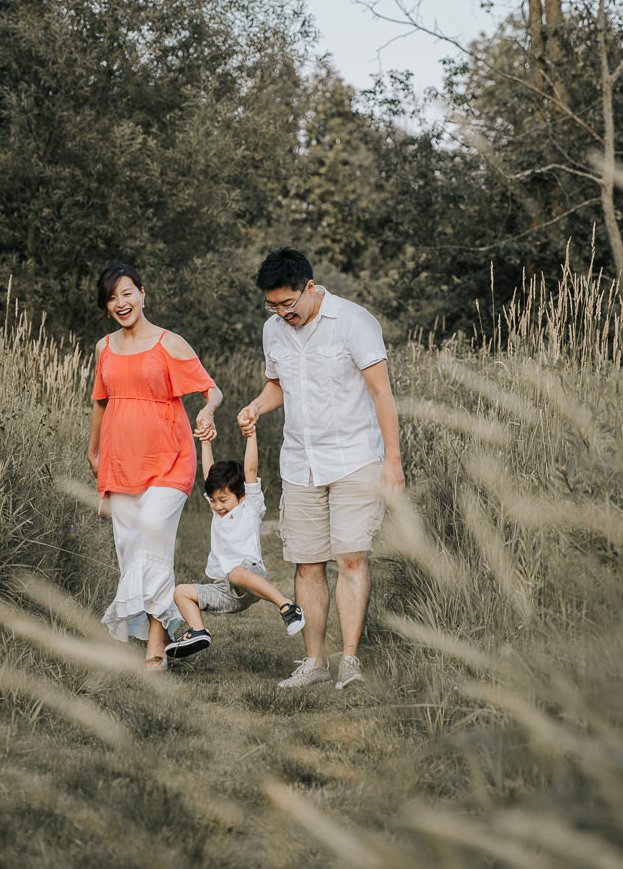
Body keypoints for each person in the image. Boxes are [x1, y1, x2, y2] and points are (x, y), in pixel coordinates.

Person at [236, 247, 404, 690]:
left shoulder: (354, 322)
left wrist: (393, 461)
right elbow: (279, 385)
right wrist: (256, 405)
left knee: (350, 558)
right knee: (307, 563)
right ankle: (315, 662)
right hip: (300, 462)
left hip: (354, 459)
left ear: (310, 288)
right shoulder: (273, 330)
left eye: (288, 303)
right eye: (272, 305)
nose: (281, 313)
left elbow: (382, 394)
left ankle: (349, 660)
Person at [87, 263, 222, 670]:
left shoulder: (170, 343)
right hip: (120, 462)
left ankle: (155, 648)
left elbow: (211, 389)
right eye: (112, 298)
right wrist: (92, 452)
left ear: (143, 294)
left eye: (126, 293)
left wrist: (209, 411)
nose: (120, 303)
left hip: (170, 459)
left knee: (152, 547)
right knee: (131, 553)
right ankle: (163, 630)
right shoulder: (104, 347)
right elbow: (99, 401)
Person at [164, 415, 306, 660]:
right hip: (224, 590)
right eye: (213, 500)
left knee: (237, 573)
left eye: (223, 500)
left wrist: (251, 435)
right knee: (181, 592)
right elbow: (210, 476)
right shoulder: (217, 509)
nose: (217, 506)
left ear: (241, 496)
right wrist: (205, 443)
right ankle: (198, 631)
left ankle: (287, 607)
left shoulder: (249, 506)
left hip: (249, 575)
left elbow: (250, 470)